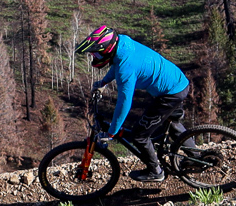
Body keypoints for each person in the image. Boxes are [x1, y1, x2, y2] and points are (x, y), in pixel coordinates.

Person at [73, 25, 191, 181]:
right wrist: (104, 82)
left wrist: (111, 132)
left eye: (96, 53)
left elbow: (124, 102)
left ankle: (156, 172)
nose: (95, 56)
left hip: (170, 94)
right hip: (178, 82)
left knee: (139, 135)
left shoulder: (125, 69)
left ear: (106, 50)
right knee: (172, 123)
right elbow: (115, 63)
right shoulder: (122, 43)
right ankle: (195, 156)